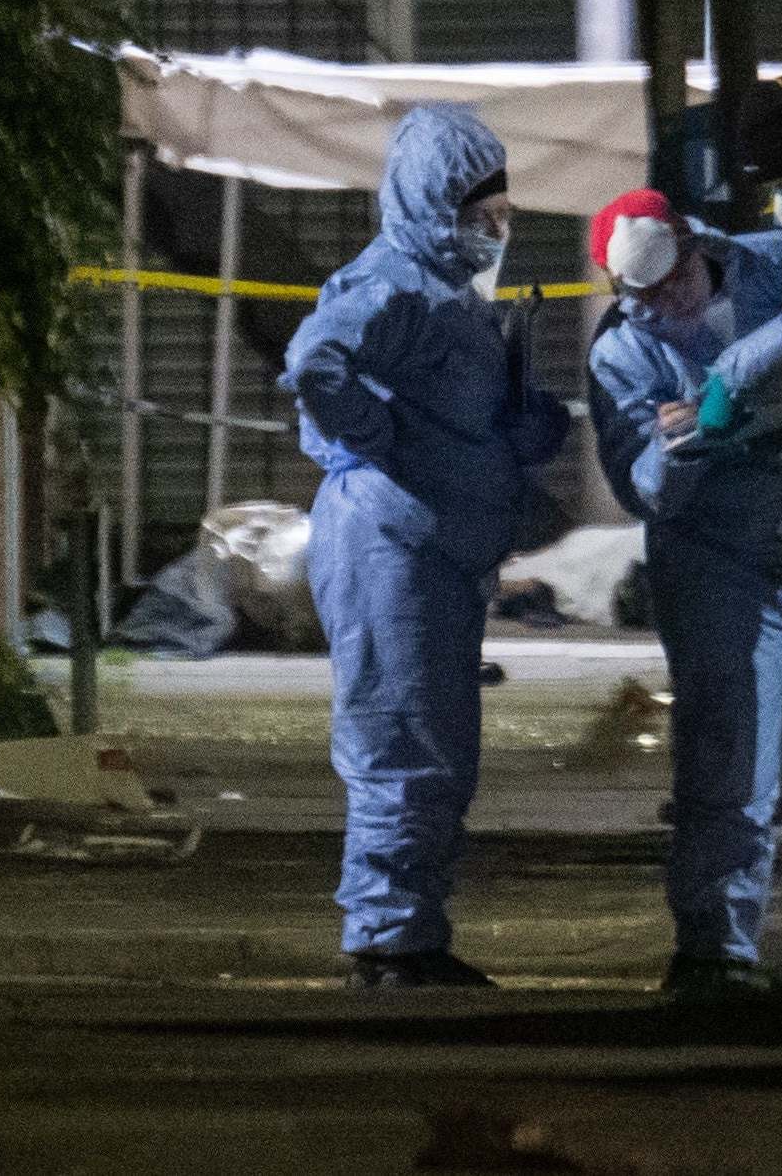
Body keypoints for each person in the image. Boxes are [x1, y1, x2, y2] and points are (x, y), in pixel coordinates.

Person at [281, 105, 571, 990]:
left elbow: (462, 413)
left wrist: (518, 432)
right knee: (401, 741)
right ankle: (391, 941)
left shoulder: (445, 294)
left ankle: (404, 930)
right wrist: (378, 438)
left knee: (431, 743)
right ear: (437, 203)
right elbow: (314, 365)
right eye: (484, 210)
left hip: (432, 549)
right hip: (394, 548)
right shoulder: (395, 285)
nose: (499, 226)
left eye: (503, 209)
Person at [585, 188, 782, 996]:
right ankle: (714, 950)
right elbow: (641, 485)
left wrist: (747, 369)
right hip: (716, 556)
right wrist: (681, 447)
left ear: (688, 240)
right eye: (643, 297)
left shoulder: (771, 265)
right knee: (728, 753)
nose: (667, 302)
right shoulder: (621, 350)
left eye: (673, 280)